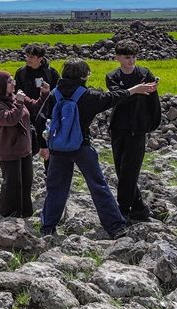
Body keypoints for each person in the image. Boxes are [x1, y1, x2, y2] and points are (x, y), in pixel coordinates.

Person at [36, 58, 158, 239]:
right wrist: (134, 90)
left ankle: (48, 227)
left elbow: (40, 119)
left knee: (55, 187)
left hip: (58, 148)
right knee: (98, 186)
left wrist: (42, 144)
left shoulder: (55, 93)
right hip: (81, 146)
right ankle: (116, 227)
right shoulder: (88, 95)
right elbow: (113, 98)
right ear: (85, 75)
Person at [104, 42, 162, 222]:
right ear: (118, 58)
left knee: (131, 168)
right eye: (127, 57)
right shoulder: (112, 76)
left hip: (138, 127)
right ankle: (139, 207)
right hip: (119, 127)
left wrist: (153, 122)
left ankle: (123, 207)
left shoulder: (144, 74)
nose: (131, 61)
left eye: (134, 57)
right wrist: (136, 91)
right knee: (121, 168)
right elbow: (117, 98)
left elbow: (153, 100)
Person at [0, 70, 48, 218]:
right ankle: (8, 215)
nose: (13, 83)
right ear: (0, 85)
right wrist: (19, 102)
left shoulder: (16, 97)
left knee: (27, 181)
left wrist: (44, 94)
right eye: (9, 82)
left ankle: (25, 214)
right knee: (12, 184)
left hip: (24, 148)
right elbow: (10, 119)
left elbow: (35, 107)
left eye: (13, 81)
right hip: (8, 149)